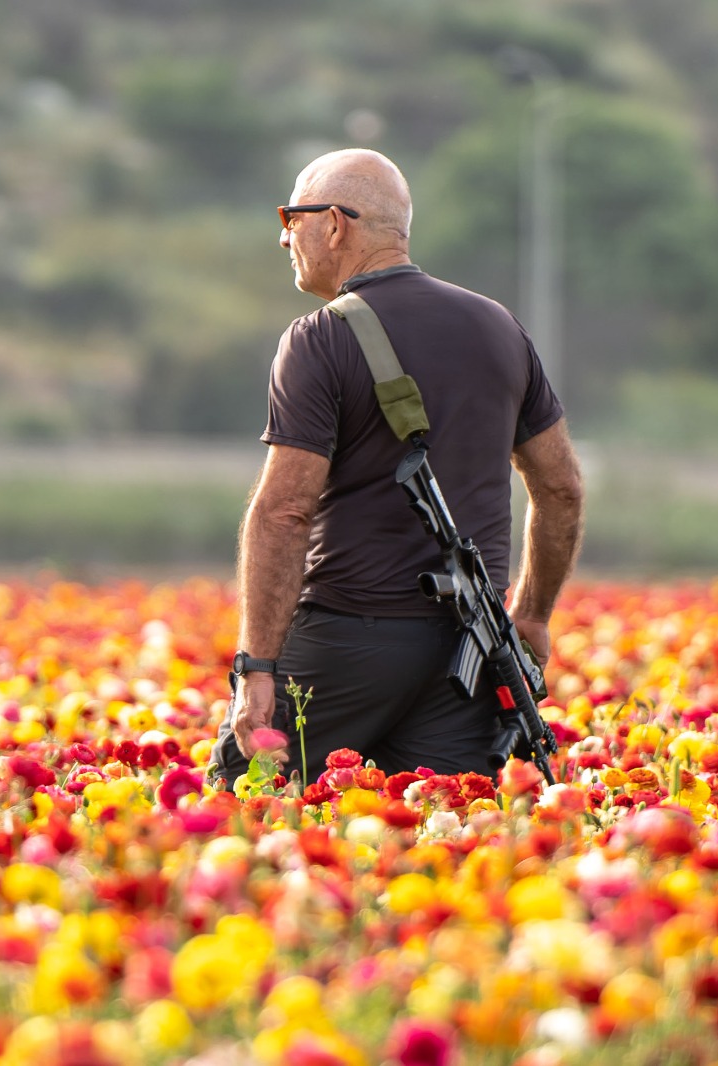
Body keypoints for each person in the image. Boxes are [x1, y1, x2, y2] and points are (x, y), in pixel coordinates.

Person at [209, 148, 585, 787]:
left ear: (334, 224)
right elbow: (562, 489)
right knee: (440, 836)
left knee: (244, 810)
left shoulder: (319, 338)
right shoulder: (499, 327)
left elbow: (286, 509)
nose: (283, 235)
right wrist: (532, 616)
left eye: (290, 217)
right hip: (467, 650)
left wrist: (258, 668)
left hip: (347, 638)